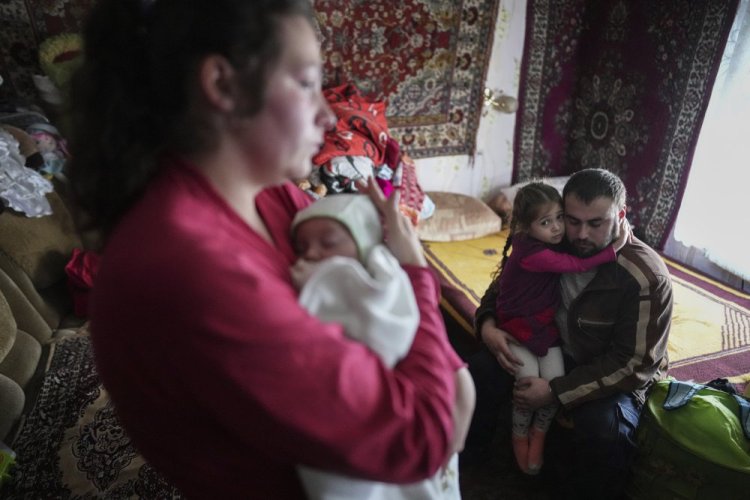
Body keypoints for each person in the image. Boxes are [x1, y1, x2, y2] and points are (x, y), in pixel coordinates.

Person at [66, 1, 472, 498]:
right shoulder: (189, 268)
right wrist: (415, 275)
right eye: (305, 82)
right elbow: (420, 439)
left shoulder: (270, 194)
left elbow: (366, 263)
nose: (327, 114)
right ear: (222, 85)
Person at [464, 168, 672, 499]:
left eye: (596, 223)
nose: (581, 234)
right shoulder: (552, 241)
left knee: (605, 429)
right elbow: (503, 291)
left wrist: (556, 391)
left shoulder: (645, 276)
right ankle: (466, 469)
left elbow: (635, 364)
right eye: (573, 220)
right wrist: (488, 326)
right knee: (478, 371)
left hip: (609, 372)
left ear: (621, 214)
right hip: (546, 346)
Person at [290, 193, 471, 499]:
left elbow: (390, 332)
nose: (312, 254)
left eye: (329, 242)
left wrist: (326, 284)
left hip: (418, 429)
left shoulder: (386, 283)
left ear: (364, 243)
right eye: (303, 247)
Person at [490, 181, 626, 475]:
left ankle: (539, 433)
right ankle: (519, 434)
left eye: (560, 218)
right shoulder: (532, 252)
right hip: (517, 330)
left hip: (544, 329)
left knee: (554, 382)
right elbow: (576, 266)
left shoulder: (556, 240)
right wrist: (614, 249)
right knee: (527, 383)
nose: (559, 229)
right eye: (546, 222)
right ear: (526, 228)